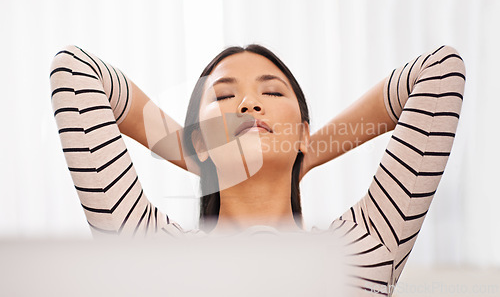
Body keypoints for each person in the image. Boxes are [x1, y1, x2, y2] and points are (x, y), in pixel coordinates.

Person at [49, 43, 465, 295]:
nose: (249, 104)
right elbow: (76, 72)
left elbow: (439, 72)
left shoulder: (369, 243)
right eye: (225, 96)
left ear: (303, 131)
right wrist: (202, 156)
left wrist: (304, 152)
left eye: (271, 90)